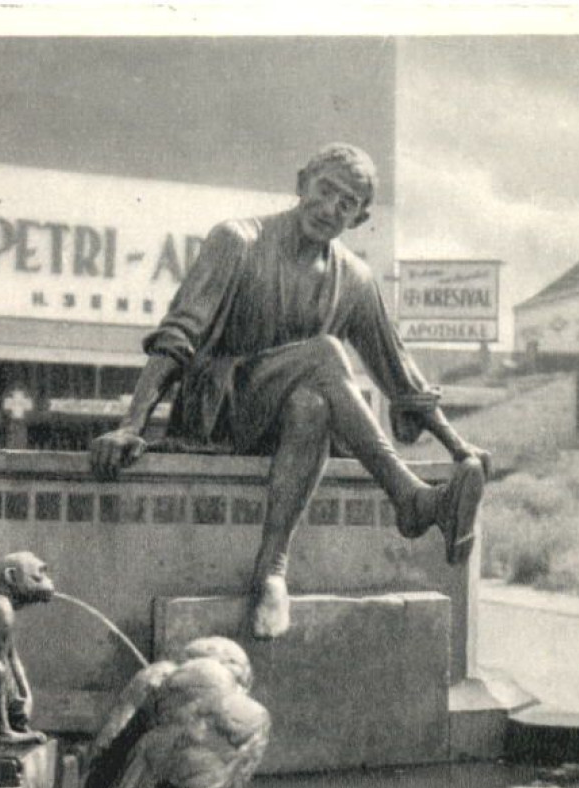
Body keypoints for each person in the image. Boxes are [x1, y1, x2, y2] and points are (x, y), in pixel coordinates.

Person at [90, 143, 489, 640]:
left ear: (360, 218)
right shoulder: (237, 240)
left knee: (313, 403)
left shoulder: (357, 279)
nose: (330, 209)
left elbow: (399, 373)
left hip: (288, 428)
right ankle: (408, 497)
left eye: (347, 204)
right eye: (325, 191)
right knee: (325, 353)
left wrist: (459, 447)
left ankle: (271, 573)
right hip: (219, 408)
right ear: (302, 183)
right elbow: (179, 335)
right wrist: (132, 424)